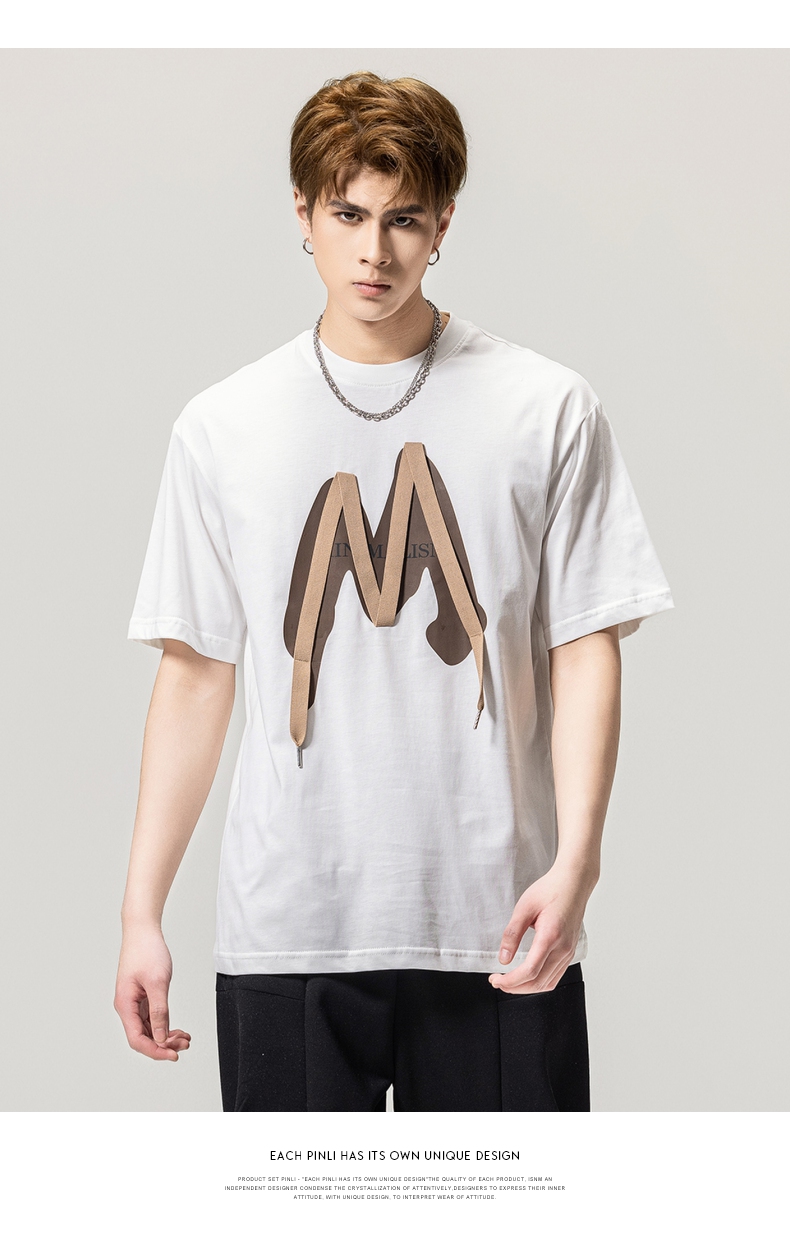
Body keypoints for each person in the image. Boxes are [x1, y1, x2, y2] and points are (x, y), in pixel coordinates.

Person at [115, 71, 674, 1112]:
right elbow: (195, 674)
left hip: (500, 922)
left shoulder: (546, 408)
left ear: (443, 223)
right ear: (303, 214)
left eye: (404, 219)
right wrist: (141, 912)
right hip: (289, 926)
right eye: (348, 215)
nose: (374, 252)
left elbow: (585, 646)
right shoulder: (223, 426)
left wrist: (579, 864)